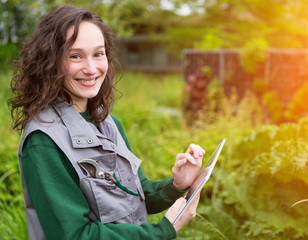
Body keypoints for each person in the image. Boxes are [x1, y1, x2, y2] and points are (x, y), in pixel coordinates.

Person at [9, 5, 205, 240]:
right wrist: (162, 231)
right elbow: (76, 235)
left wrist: (176, 185)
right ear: (51, 62)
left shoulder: (109, 123)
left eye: (98, 54)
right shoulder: (44, 141)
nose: (91, 69)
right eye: (76, 56)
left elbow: (135, 195)